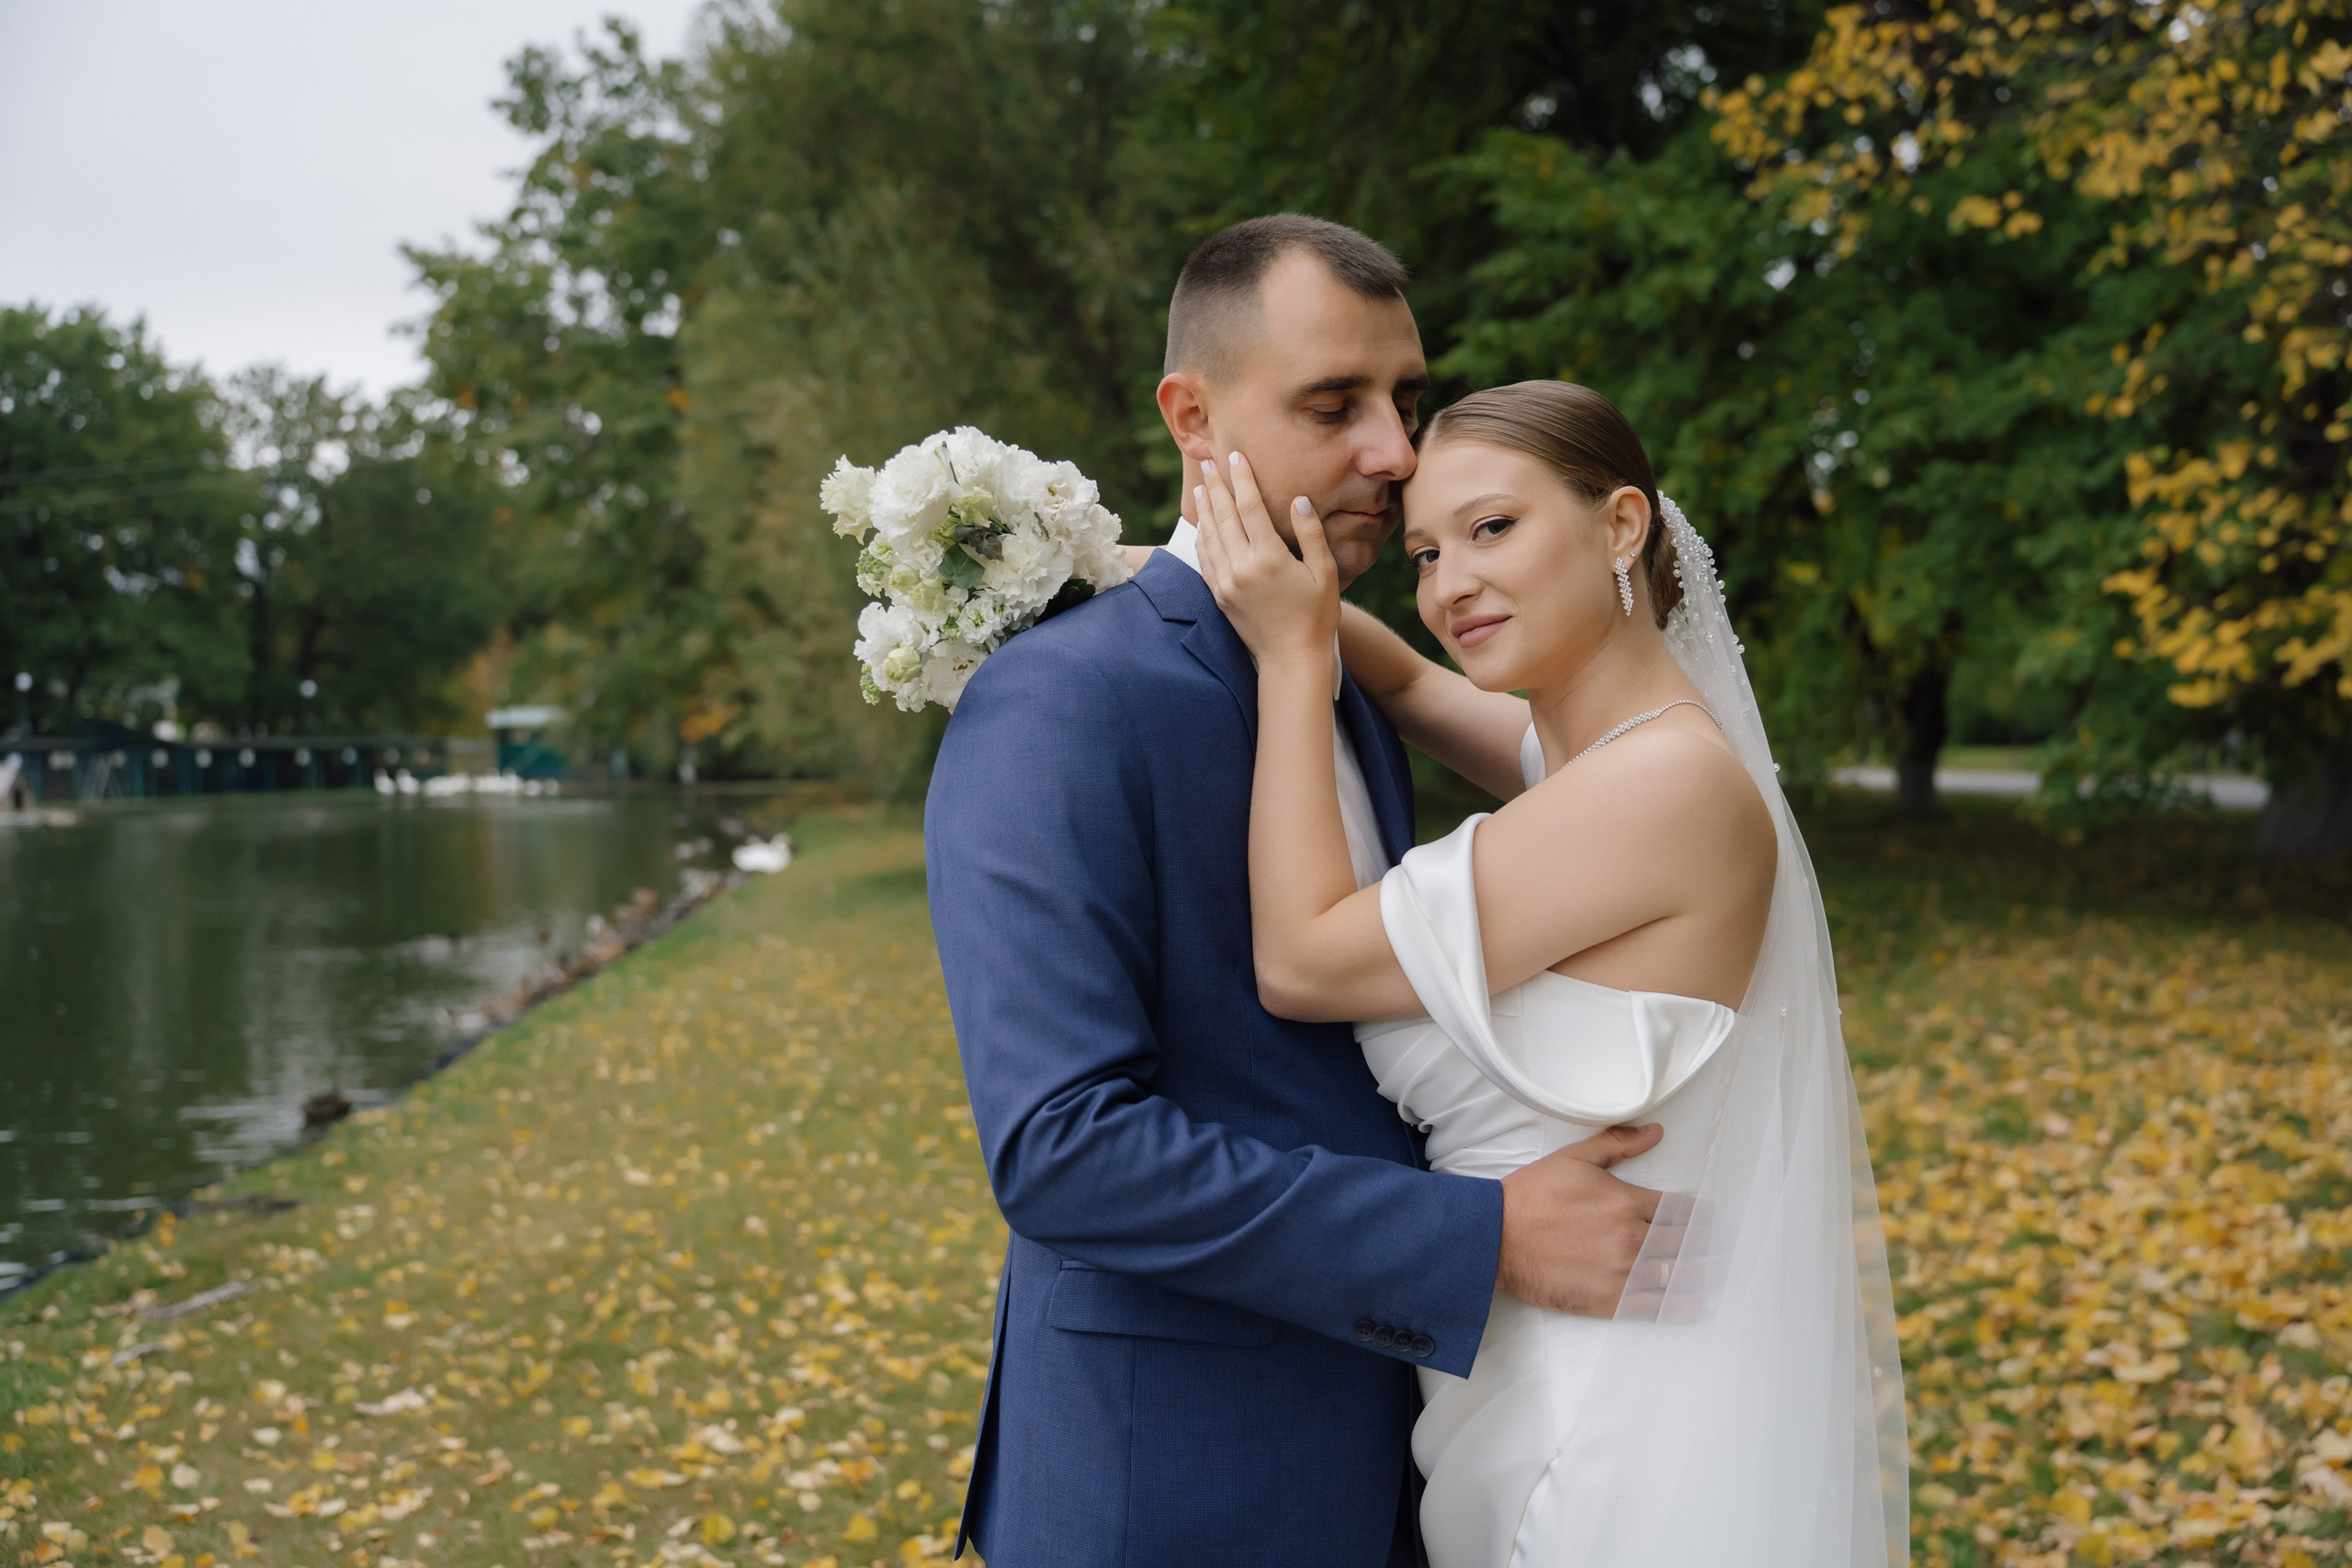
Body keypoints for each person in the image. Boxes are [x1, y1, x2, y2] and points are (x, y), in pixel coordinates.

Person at [924, 217, 1672, 1567]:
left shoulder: (1326, 665)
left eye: (1407, 400)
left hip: (1404, 1447)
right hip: (1174, 1486)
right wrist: (1481, 1236)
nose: (1395, 451)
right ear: (1192, 415)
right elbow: (1064, 1149)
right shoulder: (1063, 698)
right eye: (1337, 404)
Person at [1188, 379, 1908, 1565]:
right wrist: (1156, 563)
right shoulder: (1602, 756)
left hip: (1613, 1419)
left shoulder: (1661, 790)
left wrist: (1288, 655)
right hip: (1530, 1377)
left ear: (1622, 526)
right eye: (1423, 552)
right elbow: (1416, 686)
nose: (1446, 584)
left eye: (1492, 528)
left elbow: (1305, 959)